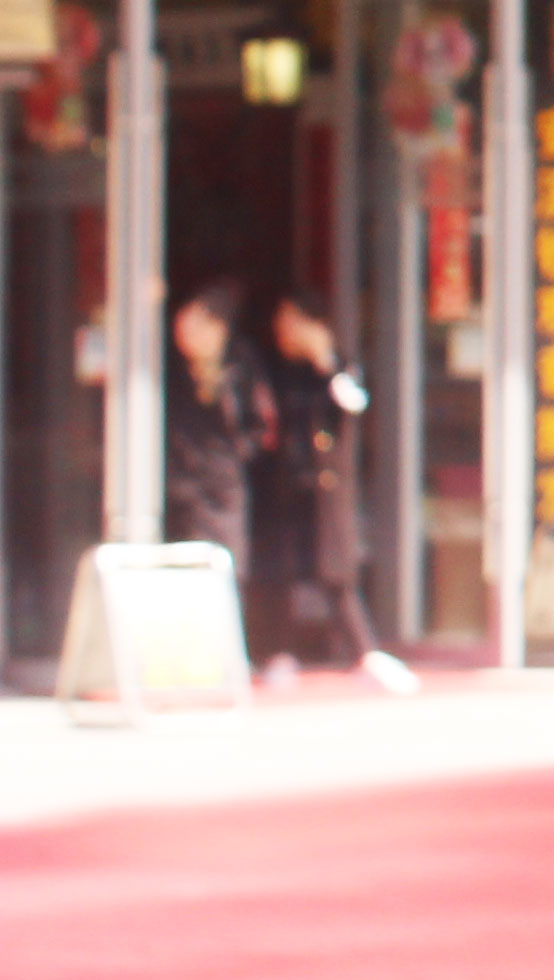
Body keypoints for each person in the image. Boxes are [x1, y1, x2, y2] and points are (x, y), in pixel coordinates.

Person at [255, 289, 418, 695]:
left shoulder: (341, 367)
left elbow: (352, 406)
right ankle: (279, 654)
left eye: (291, 324)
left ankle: (364, 652)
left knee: (335, 573)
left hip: (328, 491)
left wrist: (325, 364)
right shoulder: (277, 370)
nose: (284, 334)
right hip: (288, 489)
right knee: (284, 573)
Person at [161, 274, 273, 666]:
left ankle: (225, 658)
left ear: (217, 329)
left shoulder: (238, 364)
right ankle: (185, 659)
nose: (184, 333)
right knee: (182, 574)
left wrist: (235, 454)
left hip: (222, 485)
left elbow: (260, 424)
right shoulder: (168, 365)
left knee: (226, 570)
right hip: (179, 484)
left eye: (194, 325)